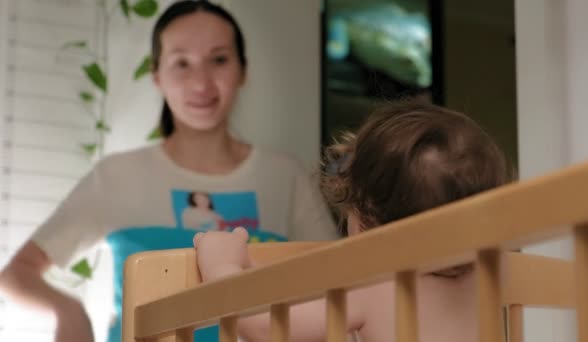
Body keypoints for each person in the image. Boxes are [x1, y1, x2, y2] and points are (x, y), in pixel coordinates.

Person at [0, 1, 336, 341]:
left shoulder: (284, 176)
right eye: (182, 63)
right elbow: (17, 274)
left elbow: (341, 280)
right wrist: (68, 311)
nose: (201, 81)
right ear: (157, 75)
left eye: (218, 59)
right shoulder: (118, 175)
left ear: (243, 70)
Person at [194, 100, 512, 342]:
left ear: (367, 218)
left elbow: (264, 324)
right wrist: (255, 271)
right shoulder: (491, 276)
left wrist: (223, 268)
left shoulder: (377, 285)